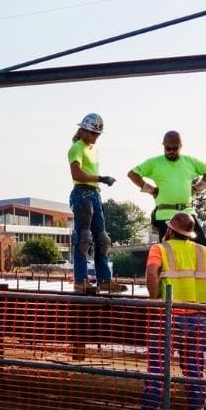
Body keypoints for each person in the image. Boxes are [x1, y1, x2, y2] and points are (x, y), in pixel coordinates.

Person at [139, 212, 206, 410]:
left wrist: (153, 299)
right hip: (197, 317)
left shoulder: (159, 249)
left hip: (168, 317)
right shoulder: (201, 251)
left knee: (158, 368)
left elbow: (151, 271)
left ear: (169, 230)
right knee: (194, 369)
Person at [127, 130, 206, 246]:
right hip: (165, 215)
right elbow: (132, 174)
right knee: (168, 251)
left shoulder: (190, 161)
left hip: (188, 213)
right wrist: (151, 190)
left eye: (175, 148)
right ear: (163, 145)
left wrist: (196, 189)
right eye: (168, 148)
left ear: (181, 146)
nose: (171, 152)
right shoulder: (154, 162)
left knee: (202, 247)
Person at [67, 113, 117, 293]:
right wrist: (101, 178)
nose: (96, 137)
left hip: (94, 194)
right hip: (82, 192)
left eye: (98, 134)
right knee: (84, 238)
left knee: (102, 239)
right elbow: (77, 174)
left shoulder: (92, 149)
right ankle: (81, 281)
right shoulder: (77, 148)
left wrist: (99, 183)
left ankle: (104, 280)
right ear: (84, 131)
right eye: (93, 134)